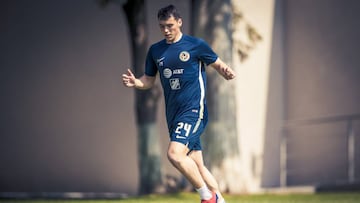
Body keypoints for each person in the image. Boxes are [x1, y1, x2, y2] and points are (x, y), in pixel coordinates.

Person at [122, 4, 235, 203]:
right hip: (173, 115)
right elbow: (149, 79)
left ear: (179, 22)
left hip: (193, 111)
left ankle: (207, 198)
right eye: (162, 26)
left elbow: (216, 62)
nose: (166, 30)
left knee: (174, 154)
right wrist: (136, 82)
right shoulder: (156, 51)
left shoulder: (195, 45)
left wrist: (225, 70)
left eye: (170, 25)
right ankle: (220, 201)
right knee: (197, 164)